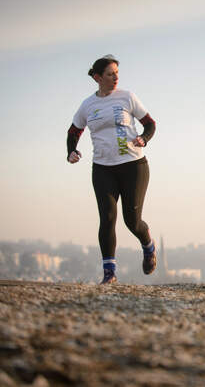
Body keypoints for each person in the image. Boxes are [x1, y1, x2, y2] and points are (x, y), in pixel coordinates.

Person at [66, 55, 157, 284]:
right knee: (107, 217)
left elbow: (150, 124)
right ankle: (109, 274)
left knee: (132, 221)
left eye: (117, 72)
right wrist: (71, 151)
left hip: (133, 166)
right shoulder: (88, 105)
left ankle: (148, 245)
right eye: (110, 74)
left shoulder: (127, 97)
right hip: (103, 168)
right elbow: (74, 131)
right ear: (98, 78)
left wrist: (144, 139)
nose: (115, 77)